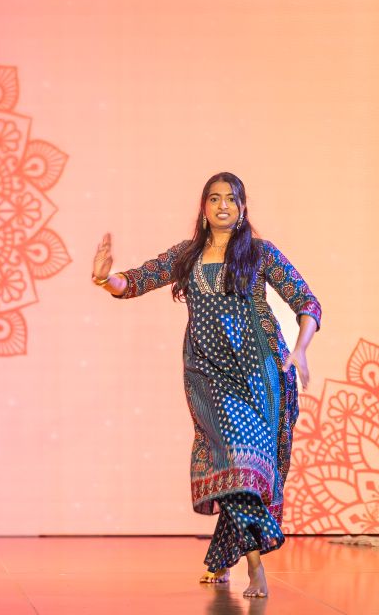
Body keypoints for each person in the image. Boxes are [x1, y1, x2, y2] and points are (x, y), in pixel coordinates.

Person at [91, 172, 320, 599]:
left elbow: (307, 302)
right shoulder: (187, 255)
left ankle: (220, 559)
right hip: (207, 374)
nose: (222, 206)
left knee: (249, 468)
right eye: (214, 198)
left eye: (231, 199)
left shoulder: (261, 253)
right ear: (203, 207)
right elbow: (136, 281)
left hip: (260, 372)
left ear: (243, 207)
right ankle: (256, 567)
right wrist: (106, 279)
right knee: (235, 457)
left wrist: (301, 348)